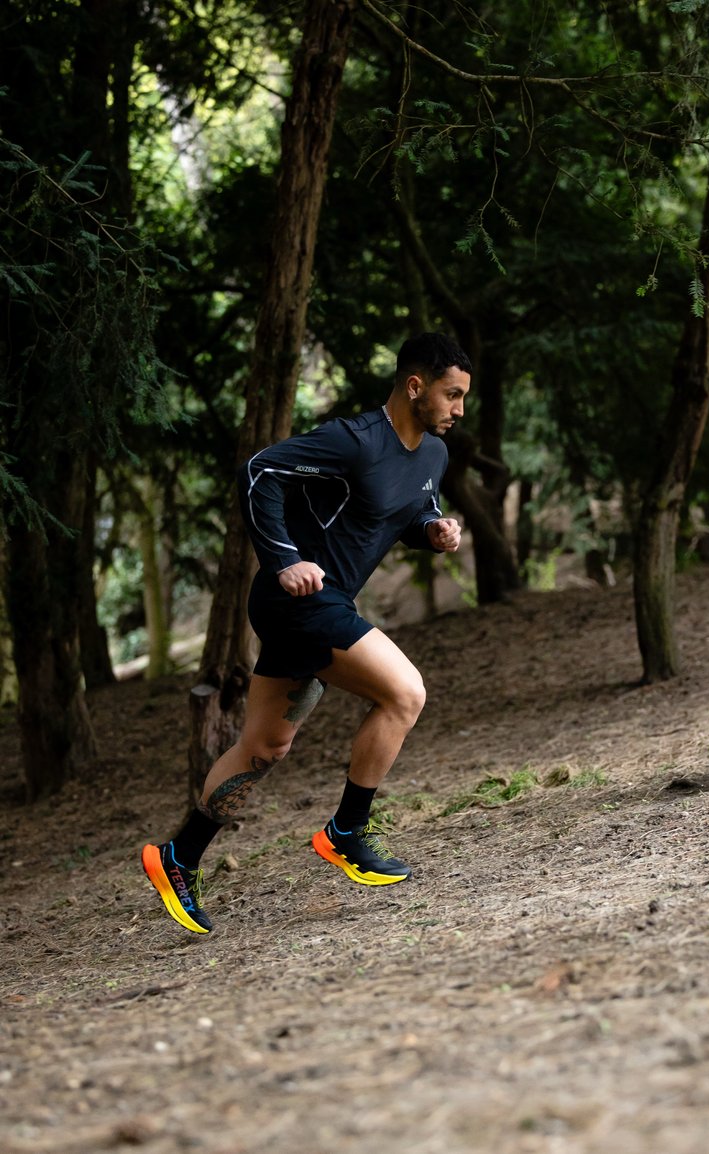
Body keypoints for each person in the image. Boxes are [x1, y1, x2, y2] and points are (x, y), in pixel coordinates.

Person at [141, 332, 472, 934]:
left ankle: (178, 857)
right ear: (415, 386)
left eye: (463, 398)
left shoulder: (432, 457)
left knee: (264, 747)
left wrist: (434, 530)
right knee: (405, 693)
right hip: (298, 600)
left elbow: (408, 511)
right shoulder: (354, 440)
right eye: (451, 395)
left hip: (326, 604)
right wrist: (284, 557)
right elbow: (258, 470)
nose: (458, 409)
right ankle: (347, 833)